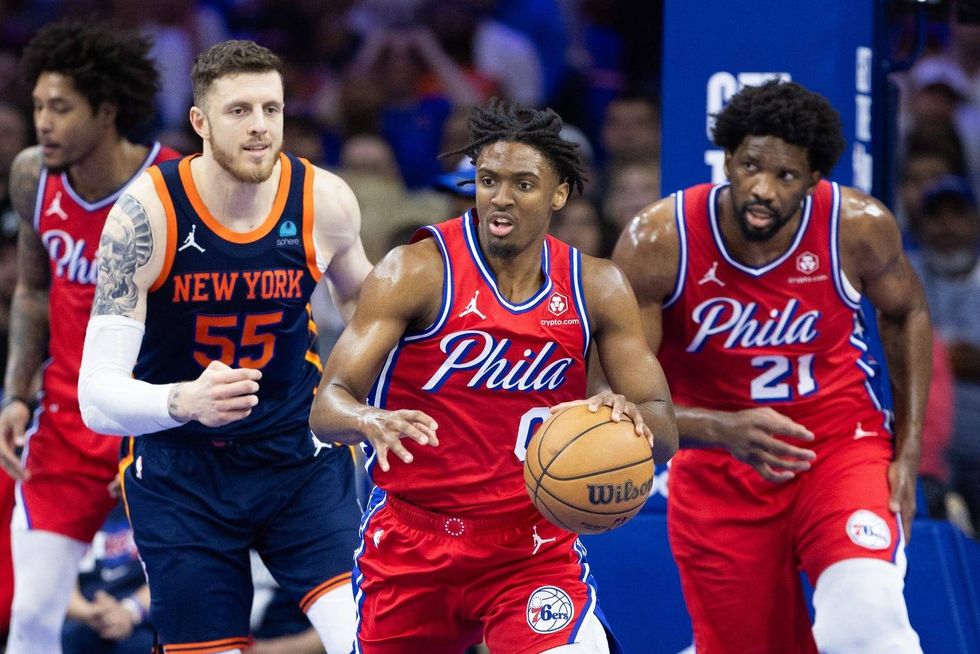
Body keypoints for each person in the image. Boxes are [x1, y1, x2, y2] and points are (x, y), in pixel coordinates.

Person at [309, 97, 678, 653]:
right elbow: (327, 406)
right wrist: (368, 420)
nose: (501, 198)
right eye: (487, 180)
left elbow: (664, 432)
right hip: (412, 542)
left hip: (530, 545)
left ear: (559, 193)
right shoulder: (416, 270)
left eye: (523, 184)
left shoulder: (596, 286)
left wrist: (627, 419)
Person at [612, 80, 931, 653]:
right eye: (751, 166)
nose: (762, 189)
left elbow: (907, 314)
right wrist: (719, 429)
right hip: (717, 473)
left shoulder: (857, 226)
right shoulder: (659, 241)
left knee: (866, 627)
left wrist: (906, 453)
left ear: (814, 181)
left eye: (785, 176)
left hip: (836, 448)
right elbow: (618, 394)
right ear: (727, 158)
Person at [76, 40, 372, 654]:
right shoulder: (146, 215)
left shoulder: (327, 200)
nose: (261, 126)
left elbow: (367, 312)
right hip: (181, 470)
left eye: (273, 108)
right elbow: (95, 398)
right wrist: (184, 400)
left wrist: (372, 397)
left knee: (369, 637)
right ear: (200, 122)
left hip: (297, 457)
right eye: (240, 111)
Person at [0, 21, 180, 654]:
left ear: (106, 112)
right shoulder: (33, 178)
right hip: (68, 431)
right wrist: (14, 396)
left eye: (60, 108)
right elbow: (31, 292)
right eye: (37, 106)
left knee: (192, 622)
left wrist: (162, 427)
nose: (42, 122)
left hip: (159, 430)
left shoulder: (177, 188)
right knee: (30, 619)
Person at [908, 175, 980, 536]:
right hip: (924, 453)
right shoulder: (904, 272)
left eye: (958, 213)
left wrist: (927, 351)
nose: (947, 224)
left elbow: (913, 351)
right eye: (937, 215)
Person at [62, 502, 154, 654]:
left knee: (144, 644)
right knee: (63, 637)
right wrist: (90, 612)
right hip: (87, 616)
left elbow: (175, 573)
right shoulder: (70, 504)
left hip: (142, 614)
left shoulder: (153, 498)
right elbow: (58, 582)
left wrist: (129, 610)